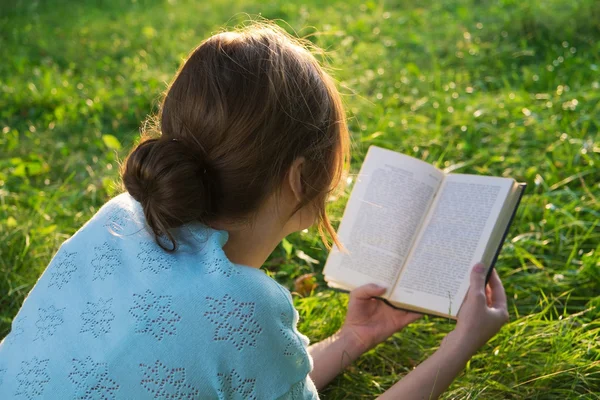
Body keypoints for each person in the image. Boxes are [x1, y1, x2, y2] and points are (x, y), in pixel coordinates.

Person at [0, 22, 509, 399]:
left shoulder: (119, 218)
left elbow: (248, 381)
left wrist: (354, 338)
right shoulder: (242, 304)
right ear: (298, 177)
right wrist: (459, 346)